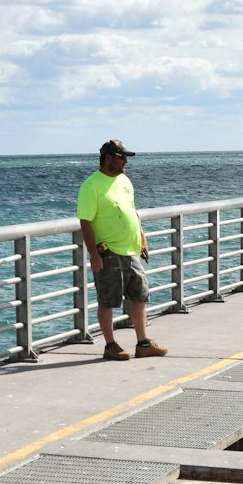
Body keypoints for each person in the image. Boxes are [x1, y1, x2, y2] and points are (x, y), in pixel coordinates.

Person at [77, 139, 166, 361]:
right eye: (121, 157)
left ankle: (143, 343)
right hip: (108, 252)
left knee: (140, 295)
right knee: (108, 300)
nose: (125, 161)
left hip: (131, 249)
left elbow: (133, 211)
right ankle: (110, 345)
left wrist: (142, 238)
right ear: (108, 158)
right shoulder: (91, 186)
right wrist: (94, 255)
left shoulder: (125, 180)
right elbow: (85, 222)